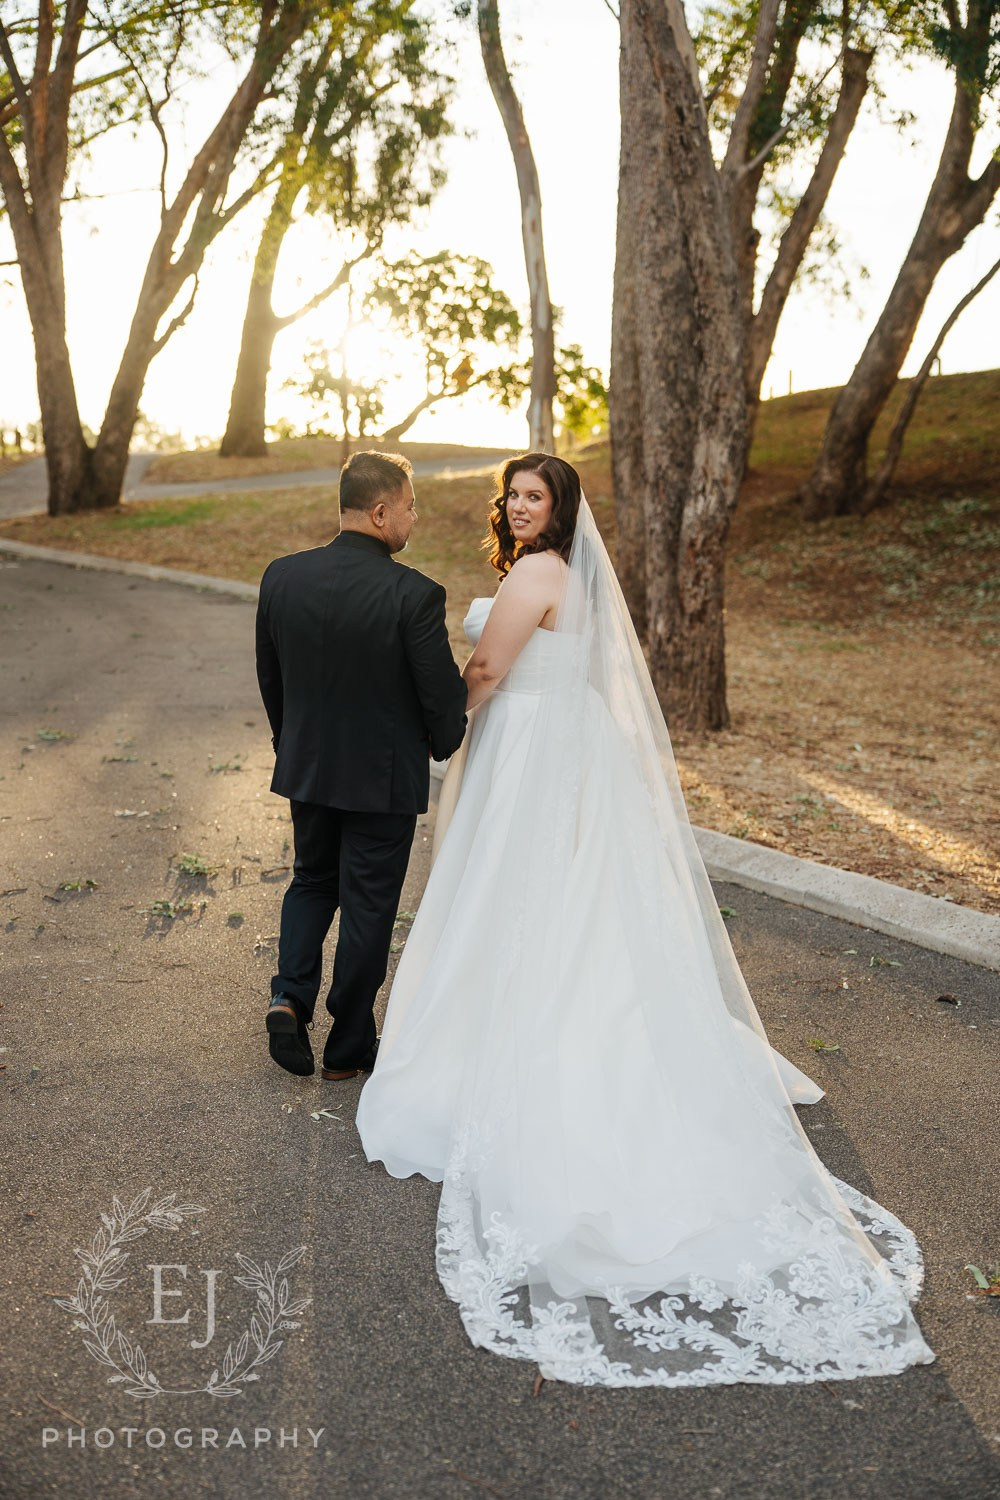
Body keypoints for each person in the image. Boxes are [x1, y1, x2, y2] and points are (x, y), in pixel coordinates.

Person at [356, 452, 934, 1389]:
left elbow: (489, 666)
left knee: (513, 897)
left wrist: (440, 733)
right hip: (572, 748)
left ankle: (506, 1037)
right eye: (513, 493)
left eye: (535, 495)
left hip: (528, 751)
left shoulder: (535, 572)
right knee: (580, 907)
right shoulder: (570, 574)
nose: (517, 504)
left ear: (561, 509)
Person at [255, 450, 467, 1081]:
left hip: (308, 769)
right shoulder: (415, 594)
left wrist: (292, 746)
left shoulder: (281, 577)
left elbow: (272, 680)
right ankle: (347, 1048)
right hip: (381, 780)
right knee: (370, 908)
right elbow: (441, 701)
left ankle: (288, 997)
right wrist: (445, 738)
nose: (413, 517)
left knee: (312, 882)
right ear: (380, 511)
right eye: (409, 506)